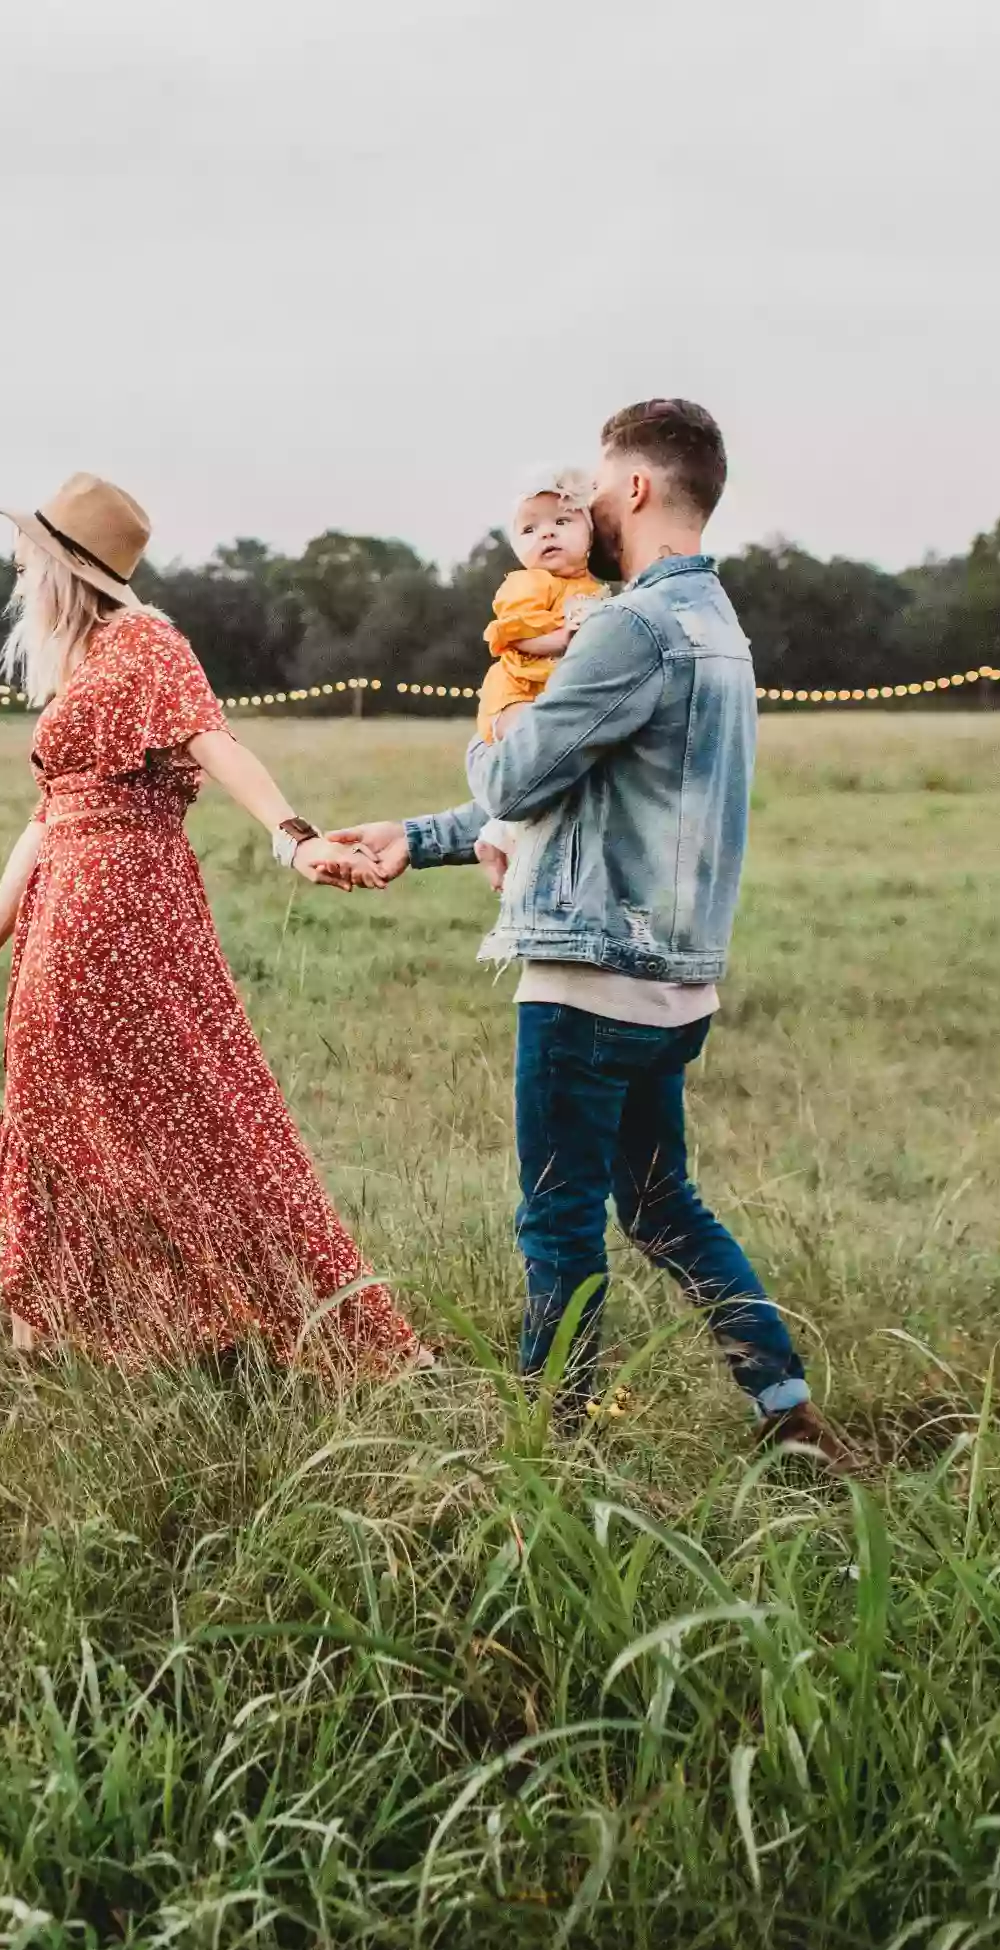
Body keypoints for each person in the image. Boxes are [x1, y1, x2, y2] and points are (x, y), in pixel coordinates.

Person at [329, 401, 844, 1456]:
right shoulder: (719, 631)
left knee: (558, 1220)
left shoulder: (629, 625)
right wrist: (417, 837)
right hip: (673, 984)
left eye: (599, 489)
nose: (589, 508)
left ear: (641, 490)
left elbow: (520, 772)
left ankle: (549, 1451)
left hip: (586, 980)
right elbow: (584, 797)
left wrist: (499, 725)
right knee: (661, 1210)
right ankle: (784, 1412)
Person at [0, 472, 424, 1374]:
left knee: (195, 1114)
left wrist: (294, 838)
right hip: (65, 910)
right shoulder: (80, 663)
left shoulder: (145, 642)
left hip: (124, 908)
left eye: (27, 555)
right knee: (61, 1117)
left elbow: (214, 739)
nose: (14, 569)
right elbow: (47, 820)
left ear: (65, 567)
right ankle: (84, 1330)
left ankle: (260, 1318)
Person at [472, 468, 609, 925]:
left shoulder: (593, 590)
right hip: (517, 691)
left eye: (562, 522)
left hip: (551, 696)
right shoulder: (527, 584)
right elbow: (515, 634)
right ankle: (501, 841)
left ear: (590, 532)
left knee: (553, 770)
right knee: (535, 750)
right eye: (530, 529)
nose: (546, 534)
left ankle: (496, 835)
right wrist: (564, 638)